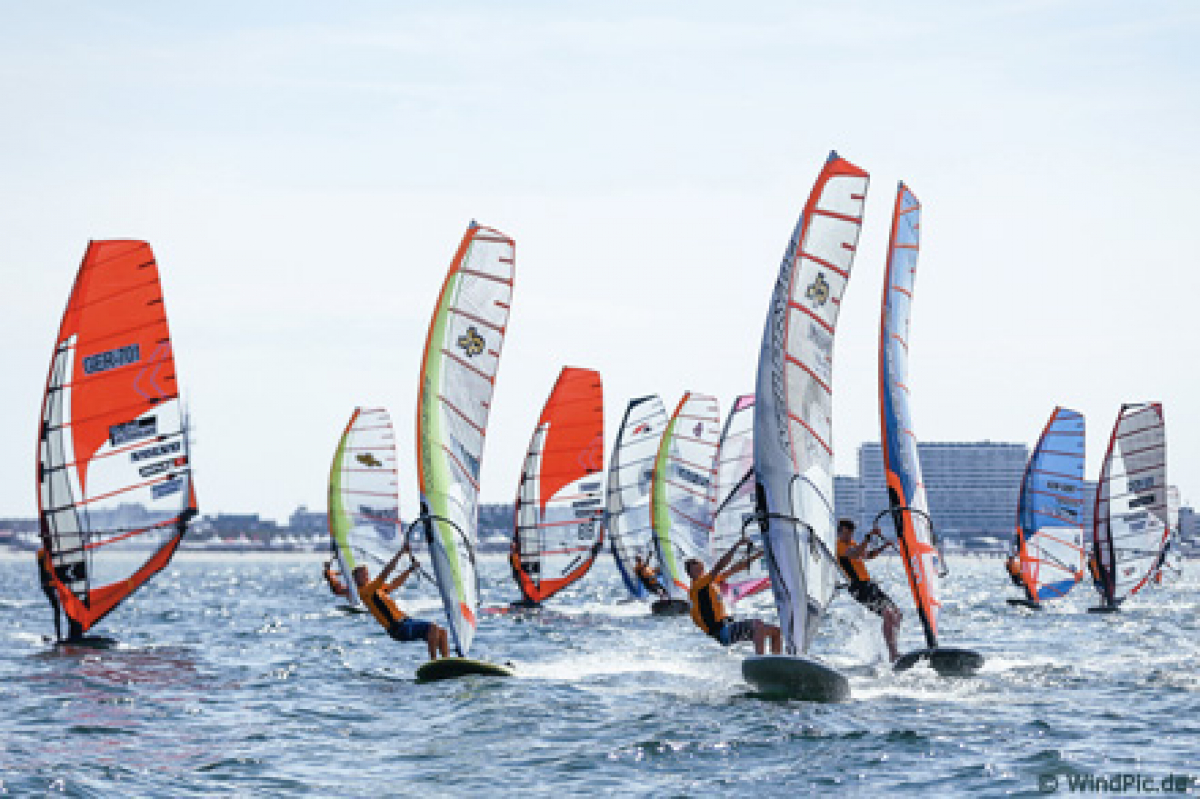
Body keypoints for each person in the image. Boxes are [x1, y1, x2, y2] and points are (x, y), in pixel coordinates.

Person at [685, 538, 782, 655]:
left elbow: (735, 568)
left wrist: (759, 555)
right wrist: (735, 546)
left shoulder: (710, 582)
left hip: (728, 626)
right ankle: (760, 660)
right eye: (696, 570)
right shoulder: (697, 585)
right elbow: (719, 566)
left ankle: (777, 659)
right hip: (722, 631)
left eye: (701, 568)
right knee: (758, 625)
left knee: (775, 631)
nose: (700, 571)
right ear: (690, 574)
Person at [355, 543, 449, 661]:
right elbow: (386, 572)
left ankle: (446, 662)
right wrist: (400, 553)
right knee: (432, 627)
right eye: (362, 575)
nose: (366, 577)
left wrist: (409, 570)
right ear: (356, 579)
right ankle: (434, 662)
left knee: (442, 632)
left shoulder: (376, 589)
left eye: (366, 574)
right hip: (398, 629)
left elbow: (395, 584)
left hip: (406, 621)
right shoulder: (364, 592)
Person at [836, 519, 902, 663]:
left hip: (869, 585)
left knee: (897, 613)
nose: (848, 536)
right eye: (845, 533)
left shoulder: (852, 543)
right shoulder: (839, 546)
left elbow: (867, 555)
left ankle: (891, 649)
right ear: (840, 532)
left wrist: (884, 547)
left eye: (850, 533)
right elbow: (855, 554)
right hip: (858, 587)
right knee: (888, 613)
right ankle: (893, 654)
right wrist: (869, 536)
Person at [36, 548, 63, 641]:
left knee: (60, 608)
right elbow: (43, 566)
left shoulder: (46, 554)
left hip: (54, 584)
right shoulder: (41, 554)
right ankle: (59, 636)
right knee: (57, 608)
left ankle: (61, 635)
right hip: (47, 585)